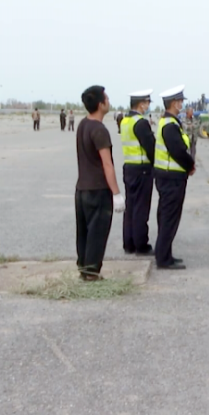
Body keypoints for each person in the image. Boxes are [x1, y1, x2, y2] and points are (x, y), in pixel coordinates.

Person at [75, 85, 126, 280]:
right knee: (97, 232)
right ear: (100, 103)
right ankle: (92, 273)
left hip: (82, 189)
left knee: (83, 232)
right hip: (98, 190)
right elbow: (107, 164)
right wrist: (116, 193)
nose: (109, 101)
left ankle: (84, 269)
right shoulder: (100, 130)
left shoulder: (82, 125)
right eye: (106, 98)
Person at [153, 85, 195, 270]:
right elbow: (178, 150)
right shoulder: (170, 125)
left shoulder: (169, 122)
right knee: (169, 217)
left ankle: (165, 254)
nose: (182, 105)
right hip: (171, 177)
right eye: (179, 102)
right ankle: (163, 258)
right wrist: (190, 165)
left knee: (166, 216)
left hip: (168, 175)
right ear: (173, 103)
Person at [120, 89, 156, 256]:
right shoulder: (140, 122)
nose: (148, 106)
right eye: (147, 103)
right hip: (142, 169)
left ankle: (129, 243)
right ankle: (141, 244)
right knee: (141, 208)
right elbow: (151, 147)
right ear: (141, 104)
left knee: (131, 207)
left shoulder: (125, 121)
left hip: (129, 167)